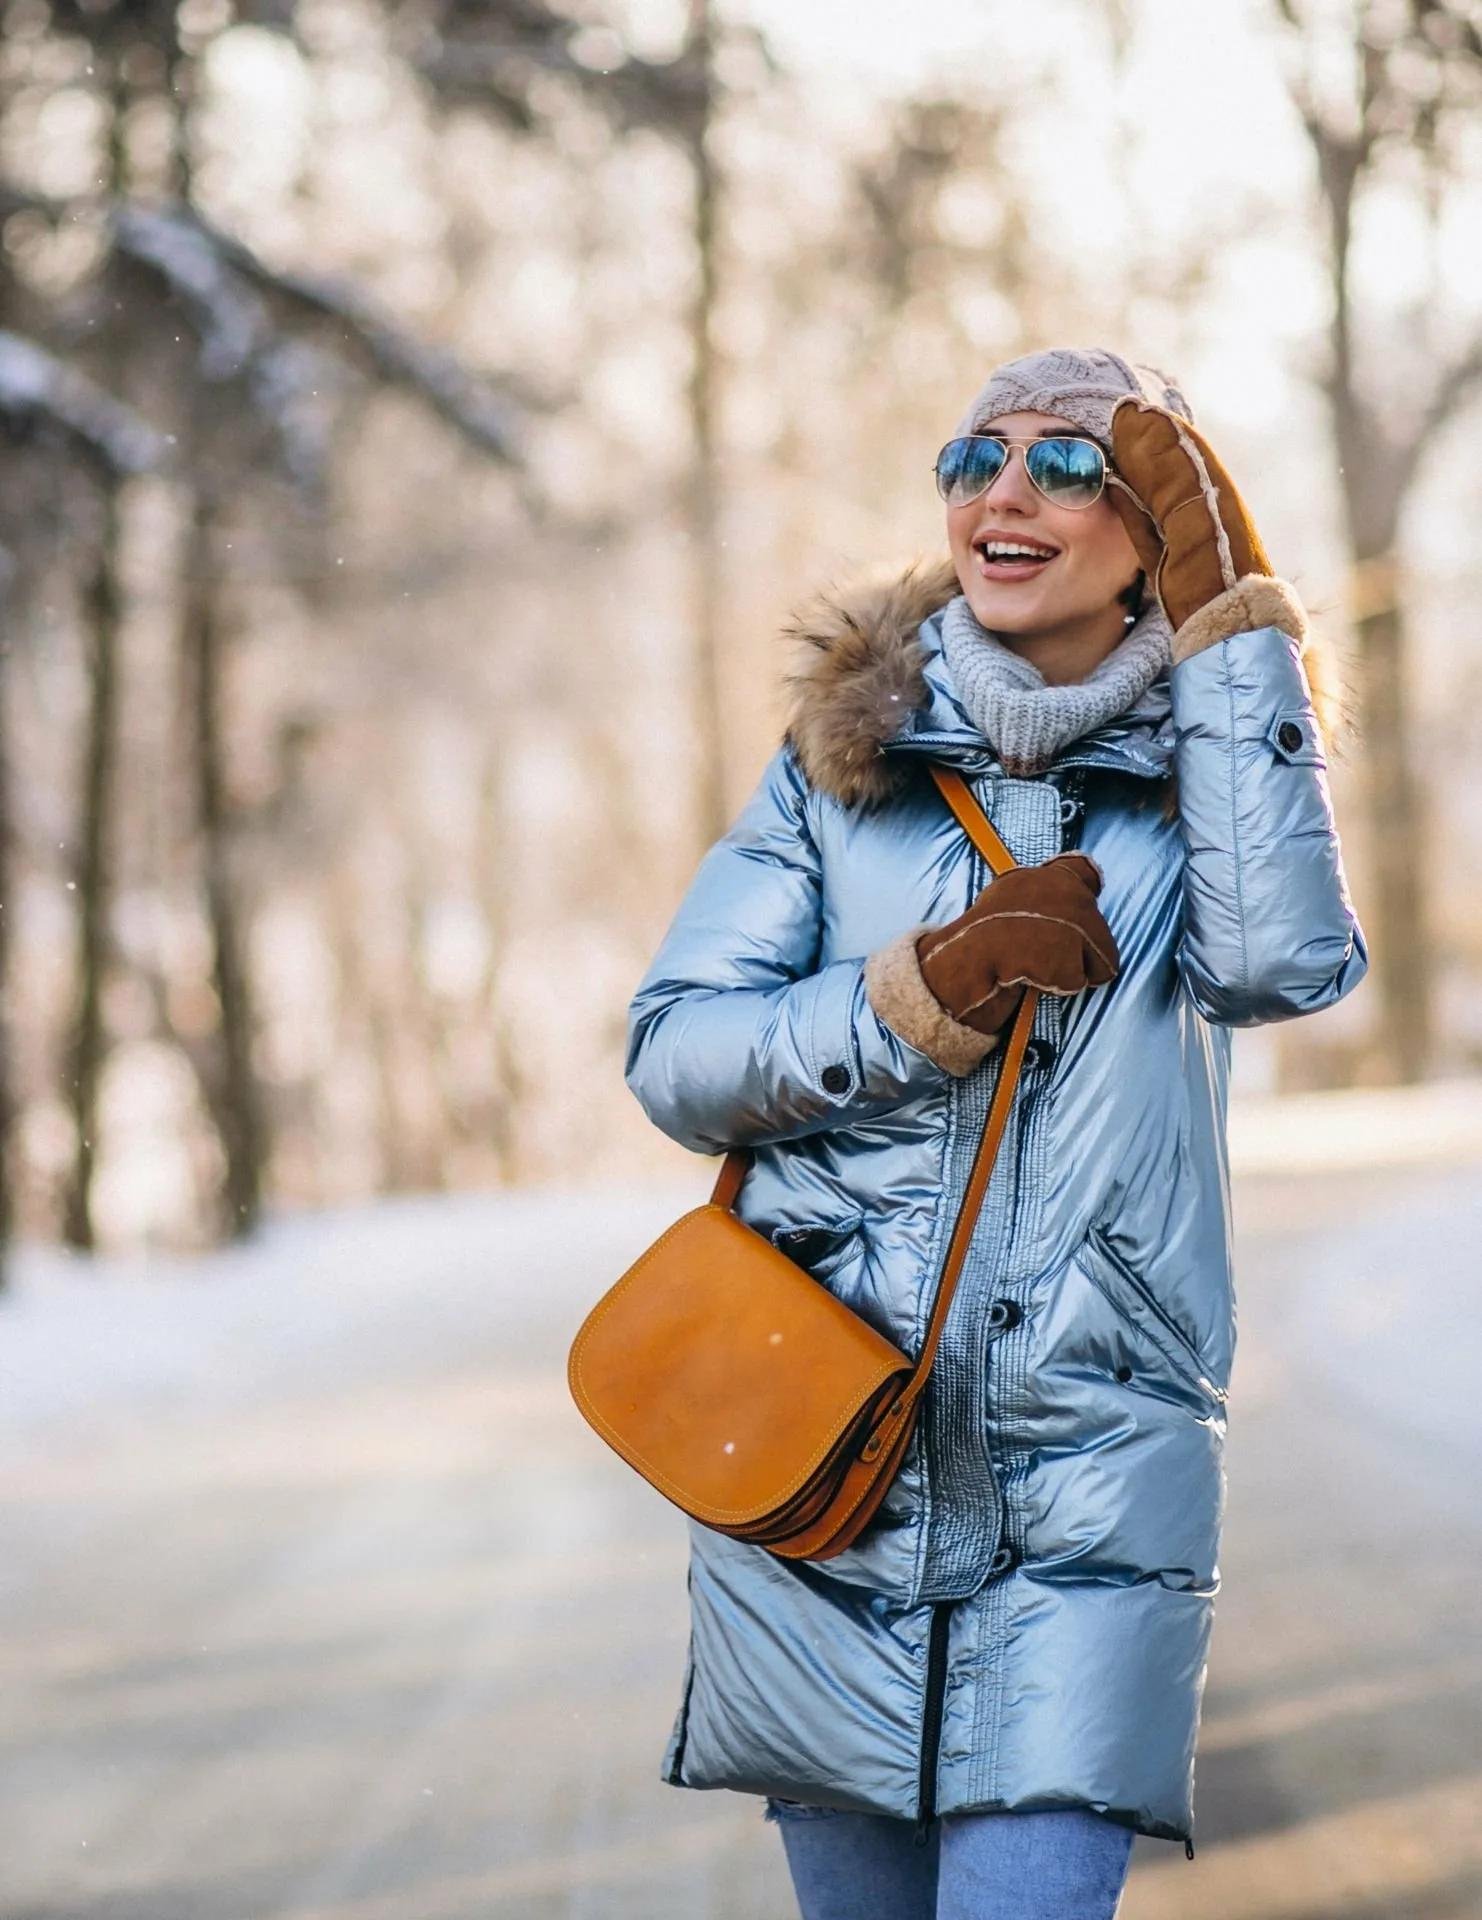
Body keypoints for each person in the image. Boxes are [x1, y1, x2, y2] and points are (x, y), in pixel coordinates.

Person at [622, 346, 1368, 1919]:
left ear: (1156, 522)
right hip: (830, 1456)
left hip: (1089, 1476)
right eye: (972, 457)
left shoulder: (1211, 787)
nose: (1003, 493)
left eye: (1071, 464)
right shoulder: (841, 773)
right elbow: (676, 1054)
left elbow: (1279, 963)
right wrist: (917, 992)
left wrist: (1236, 631)